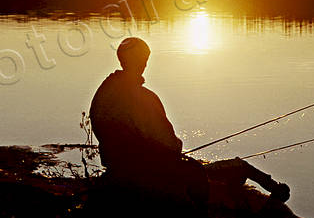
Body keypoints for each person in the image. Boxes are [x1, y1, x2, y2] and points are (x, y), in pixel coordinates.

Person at [89, 37, 290, 209]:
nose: (145, 64)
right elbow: (169, 144)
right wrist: (175, 150)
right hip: (155, 172)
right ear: (141, 61)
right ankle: (273, 193)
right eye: (144, 60)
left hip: (118, 166)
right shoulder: (144, 99)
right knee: (237, 166)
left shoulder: (104, 93)